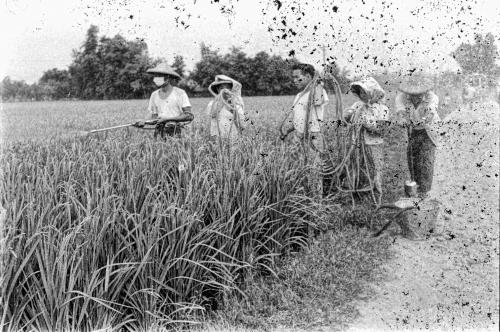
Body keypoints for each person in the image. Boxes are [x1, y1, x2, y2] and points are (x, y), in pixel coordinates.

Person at [279, 63, 329, 197]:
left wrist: (317, 82)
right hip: (298, 135)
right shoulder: (299, 96)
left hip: (313, 136)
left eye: (297, 77)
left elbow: (318, 100)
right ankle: (301, 195)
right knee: (296, 165)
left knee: (314, 168)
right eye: (293, 78)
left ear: (307, 76)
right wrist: (287, 131)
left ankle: (316, 199)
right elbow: (297, 118)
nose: (294, 81)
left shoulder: (318, 91)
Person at [395, 74, 441, 197]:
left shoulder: (432, 97)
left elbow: (431, 113)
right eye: (413, 95)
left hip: (429, 129)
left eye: (419, 94)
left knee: (426, 159)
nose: (416, 98)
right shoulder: (402, 98)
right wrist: (402, 119)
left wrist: (424, 120)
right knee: (413, 157)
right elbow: (400, 113)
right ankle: (415, 187)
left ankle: (425, 190)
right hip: (413, 129)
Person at [344, 77, 389, 198]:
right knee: (357, 166)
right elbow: (347, 118)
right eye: (360, 92)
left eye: (365, 92)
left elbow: (381, 129)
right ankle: (357, 191)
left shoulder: (382, 109)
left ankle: (375, 194)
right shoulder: (357, 105)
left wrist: (366, 123)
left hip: (373, 144)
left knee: (375, 168)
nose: (362, 95)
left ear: (373, 93)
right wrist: (348, 115)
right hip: (357, 143)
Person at [134, 63, 193, 138]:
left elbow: (189, 116)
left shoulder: (180, 93)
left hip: (175, 130)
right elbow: (154, 117)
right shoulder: (154, 95)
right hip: (159, 131)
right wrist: (143, 121)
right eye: (155, 75)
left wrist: (167, 119)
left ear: (168, 78)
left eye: (159, 76)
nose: (156, 78)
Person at [205, 75, 247, 141]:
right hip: (216, 138)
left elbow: (242, 125)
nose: (225, 90)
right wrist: (222, 100)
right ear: (218, 90)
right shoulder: (212, 104)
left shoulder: (237, 105)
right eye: (222, 88)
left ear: (232, 90)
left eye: (228, 88)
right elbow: (212, 115)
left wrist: (232, 108)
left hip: (233, 138)